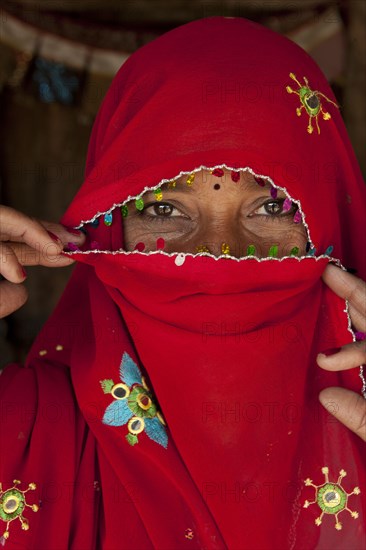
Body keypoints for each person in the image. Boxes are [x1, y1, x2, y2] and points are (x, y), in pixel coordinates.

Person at [0, 16, 365, 550]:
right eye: (165, 208)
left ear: (328, 225)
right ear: (109, 225)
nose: (219, 251)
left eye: (271, 207)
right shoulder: (26, 427)